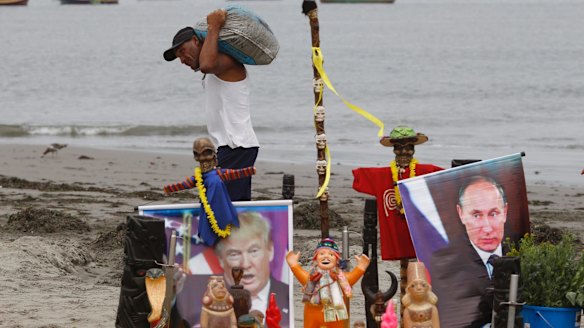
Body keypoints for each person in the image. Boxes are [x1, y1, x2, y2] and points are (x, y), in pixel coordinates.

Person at [163, 9, 259, 201]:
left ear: (197, 41)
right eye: (178, 56)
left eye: (182, 51)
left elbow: (206, 64)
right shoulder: (213, 69)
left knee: (218, 206)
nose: (182, 60)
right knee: (218, 205)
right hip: (226, 148)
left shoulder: (228, 62)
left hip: (237, 145)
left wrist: (213, 26)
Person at [179, 211, 290, 327]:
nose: (245, 264)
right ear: (221, 260)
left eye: (254, 251)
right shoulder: (199, 296)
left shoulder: (288, 295)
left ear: (270, 250)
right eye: (234, 254)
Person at [352, 125, 443, 260]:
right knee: (405, 267)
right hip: (396, 232)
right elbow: (359, 177)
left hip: (420, 231)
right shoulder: (382, 175)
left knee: (420, 265)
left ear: (414, 149)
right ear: (394, 150)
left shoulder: (426, 172)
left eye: (409, 147)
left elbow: (452, 178)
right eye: (399, 148)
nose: (404, 151)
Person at [429, 175, 508, 328]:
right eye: (476, 215)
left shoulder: (523, 255)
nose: (487, 228)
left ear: (505, 212)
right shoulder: (445, 264)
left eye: (493, 214)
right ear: (461, 213)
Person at [162, 137, 255, 246]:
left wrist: (249, 171)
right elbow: (186, 184)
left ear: (214, 156)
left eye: (206, 154)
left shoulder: (219, 173)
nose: (202, 159)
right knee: (210, 225)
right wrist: (170, 189)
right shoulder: (199, 177)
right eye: (198, 155)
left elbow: (234, 174)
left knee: (223, 222)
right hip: (207, 206)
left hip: (221, 204)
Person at [286, 238, 370, 328]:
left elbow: (352, 277)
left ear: (337, 260)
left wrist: (361, 267)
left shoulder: (341, 278)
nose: (326, 257)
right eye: (321, 254)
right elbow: (301, 274)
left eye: (331, 254)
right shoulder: (312, 277)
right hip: (313, 315)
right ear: (315, 259)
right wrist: (294, 264)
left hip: (335, 315)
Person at [401, 262, 440, 328]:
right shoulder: (407, 310)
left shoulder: (432, 309)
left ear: (428, 288)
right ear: (409, 290)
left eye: (423, 285)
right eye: (413, 286)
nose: (419, 288)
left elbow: (436, 325)